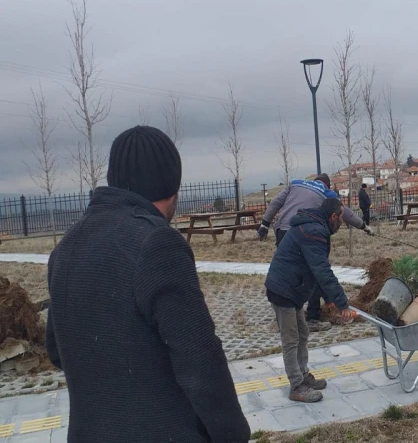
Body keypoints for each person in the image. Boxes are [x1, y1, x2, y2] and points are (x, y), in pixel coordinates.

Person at [45, 126, 250, 443]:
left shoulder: (66, 247)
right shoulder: (156, 243)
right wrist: (232, 433)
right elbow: (199, 359)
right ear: (171, 187)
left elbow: (57, 351)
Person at [265, 197, 357, 403]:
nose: (342, 223)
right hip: (283, 289)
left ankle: (303, 374)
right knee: (291, 339)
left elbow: (317, 269)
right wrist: (342, 304)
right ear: (333, 216)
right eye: (342, 218)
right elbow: (322, 270)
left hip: (292, 288)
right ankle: (297, 385)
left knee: (302, 333)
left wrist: (330, 300)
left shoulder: (314, 226)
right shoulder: (314, 232)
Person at [258, 174, 374, 331]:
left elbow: (275, 203)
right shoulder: (327, 194)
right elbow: (345, 213)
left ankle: (287, 313)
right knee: (312, 271)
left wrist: (264, 224)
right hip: (308, 230)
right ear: (327, 184)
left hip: (285, 229)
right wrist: (364, 227)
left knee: (289, 272)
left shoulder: (296, 184)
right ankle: (311, 317)